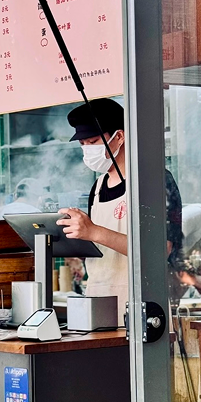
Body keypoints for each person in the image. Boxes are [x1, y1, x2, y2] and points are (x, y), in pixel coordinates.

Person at [56, 98, 129, 321]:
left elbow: (160, 251)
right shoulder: (97, 188)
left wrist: (92, 231)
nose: (87, 150)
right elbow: (101, 248)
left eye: (94, 141)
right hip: (97, 304)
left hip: (138, 307)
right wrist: (72, 239)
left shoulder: (152, 182)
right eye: (83, 144)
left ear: (119, 136)